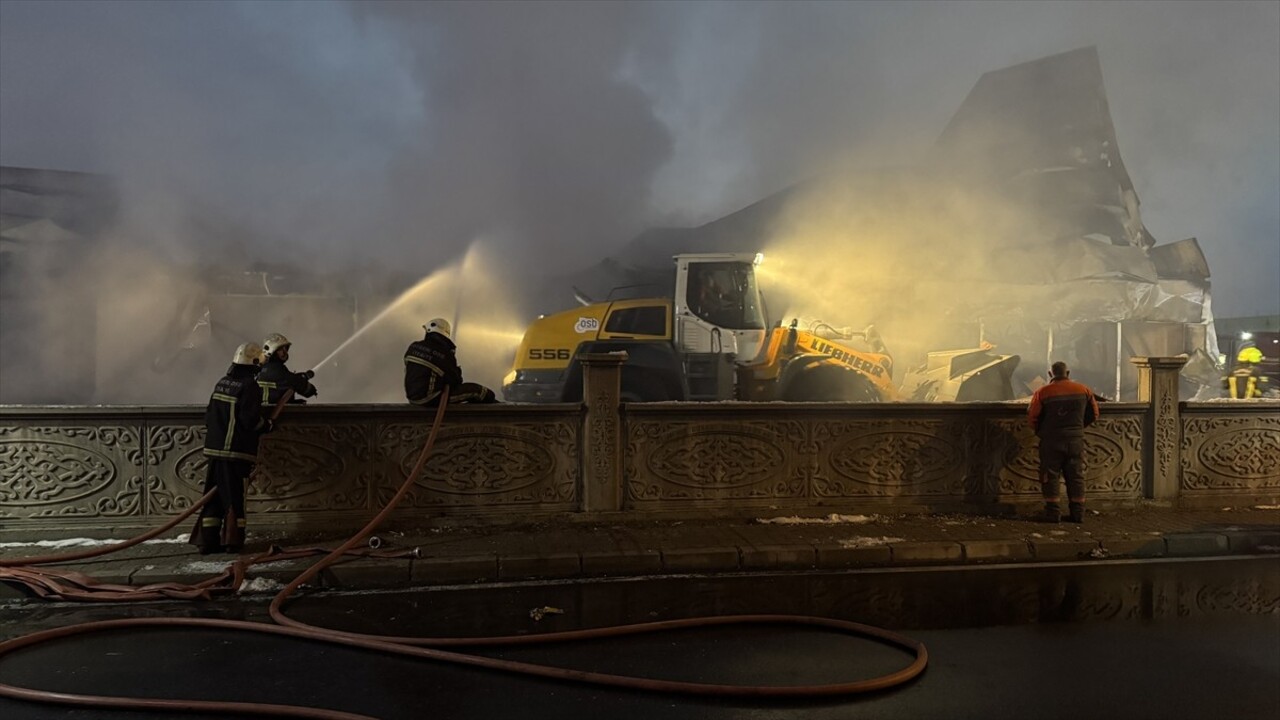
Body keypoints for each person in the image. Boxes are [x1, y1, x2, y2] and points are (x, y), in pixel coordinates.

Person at [191, 342, 275, 554]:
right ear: (254, 363)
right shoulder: (249, 386)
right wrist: (268, 425)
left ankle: (206, 540)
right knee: (234, 497)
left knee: (213, 496)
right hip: (236, 452)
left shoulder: (222, 383)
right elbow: (250, 421)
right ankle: (232, 541)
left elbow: (209, 415)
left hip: (214, 451)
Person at [1027, 361, 1100, 524]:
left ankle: (1053, 513)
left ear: (1050, 374)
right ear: (1068, 373)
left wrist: (1041, 432)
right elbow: (1094, 413)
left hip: (1051, 441)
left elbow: (1032, 417)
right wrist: (1078, 428)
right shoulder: (1084, 390)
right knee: (1076, 476)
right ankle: (1078, 514)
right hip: (1075, 440)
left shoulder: (1043, 392)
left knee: (1050, 476)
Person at [404, 318, 498, 406]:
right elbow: (455, 380)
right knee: (478, 391)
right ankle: (499, 409)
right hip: (432, 398)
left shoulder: (413, 347)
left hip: (412, 398)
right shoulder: (444, 354)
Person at [258, 333, 318, 406]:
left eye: (286, 348)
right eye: (280, 349)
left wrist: (298, 377)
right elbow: (309, 391)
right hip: (280, 416)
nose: (285, 352)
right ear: (271, 351)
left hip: (260, 414)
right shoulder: (282, 373)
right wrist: (301, 379)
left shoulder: (259, 371)